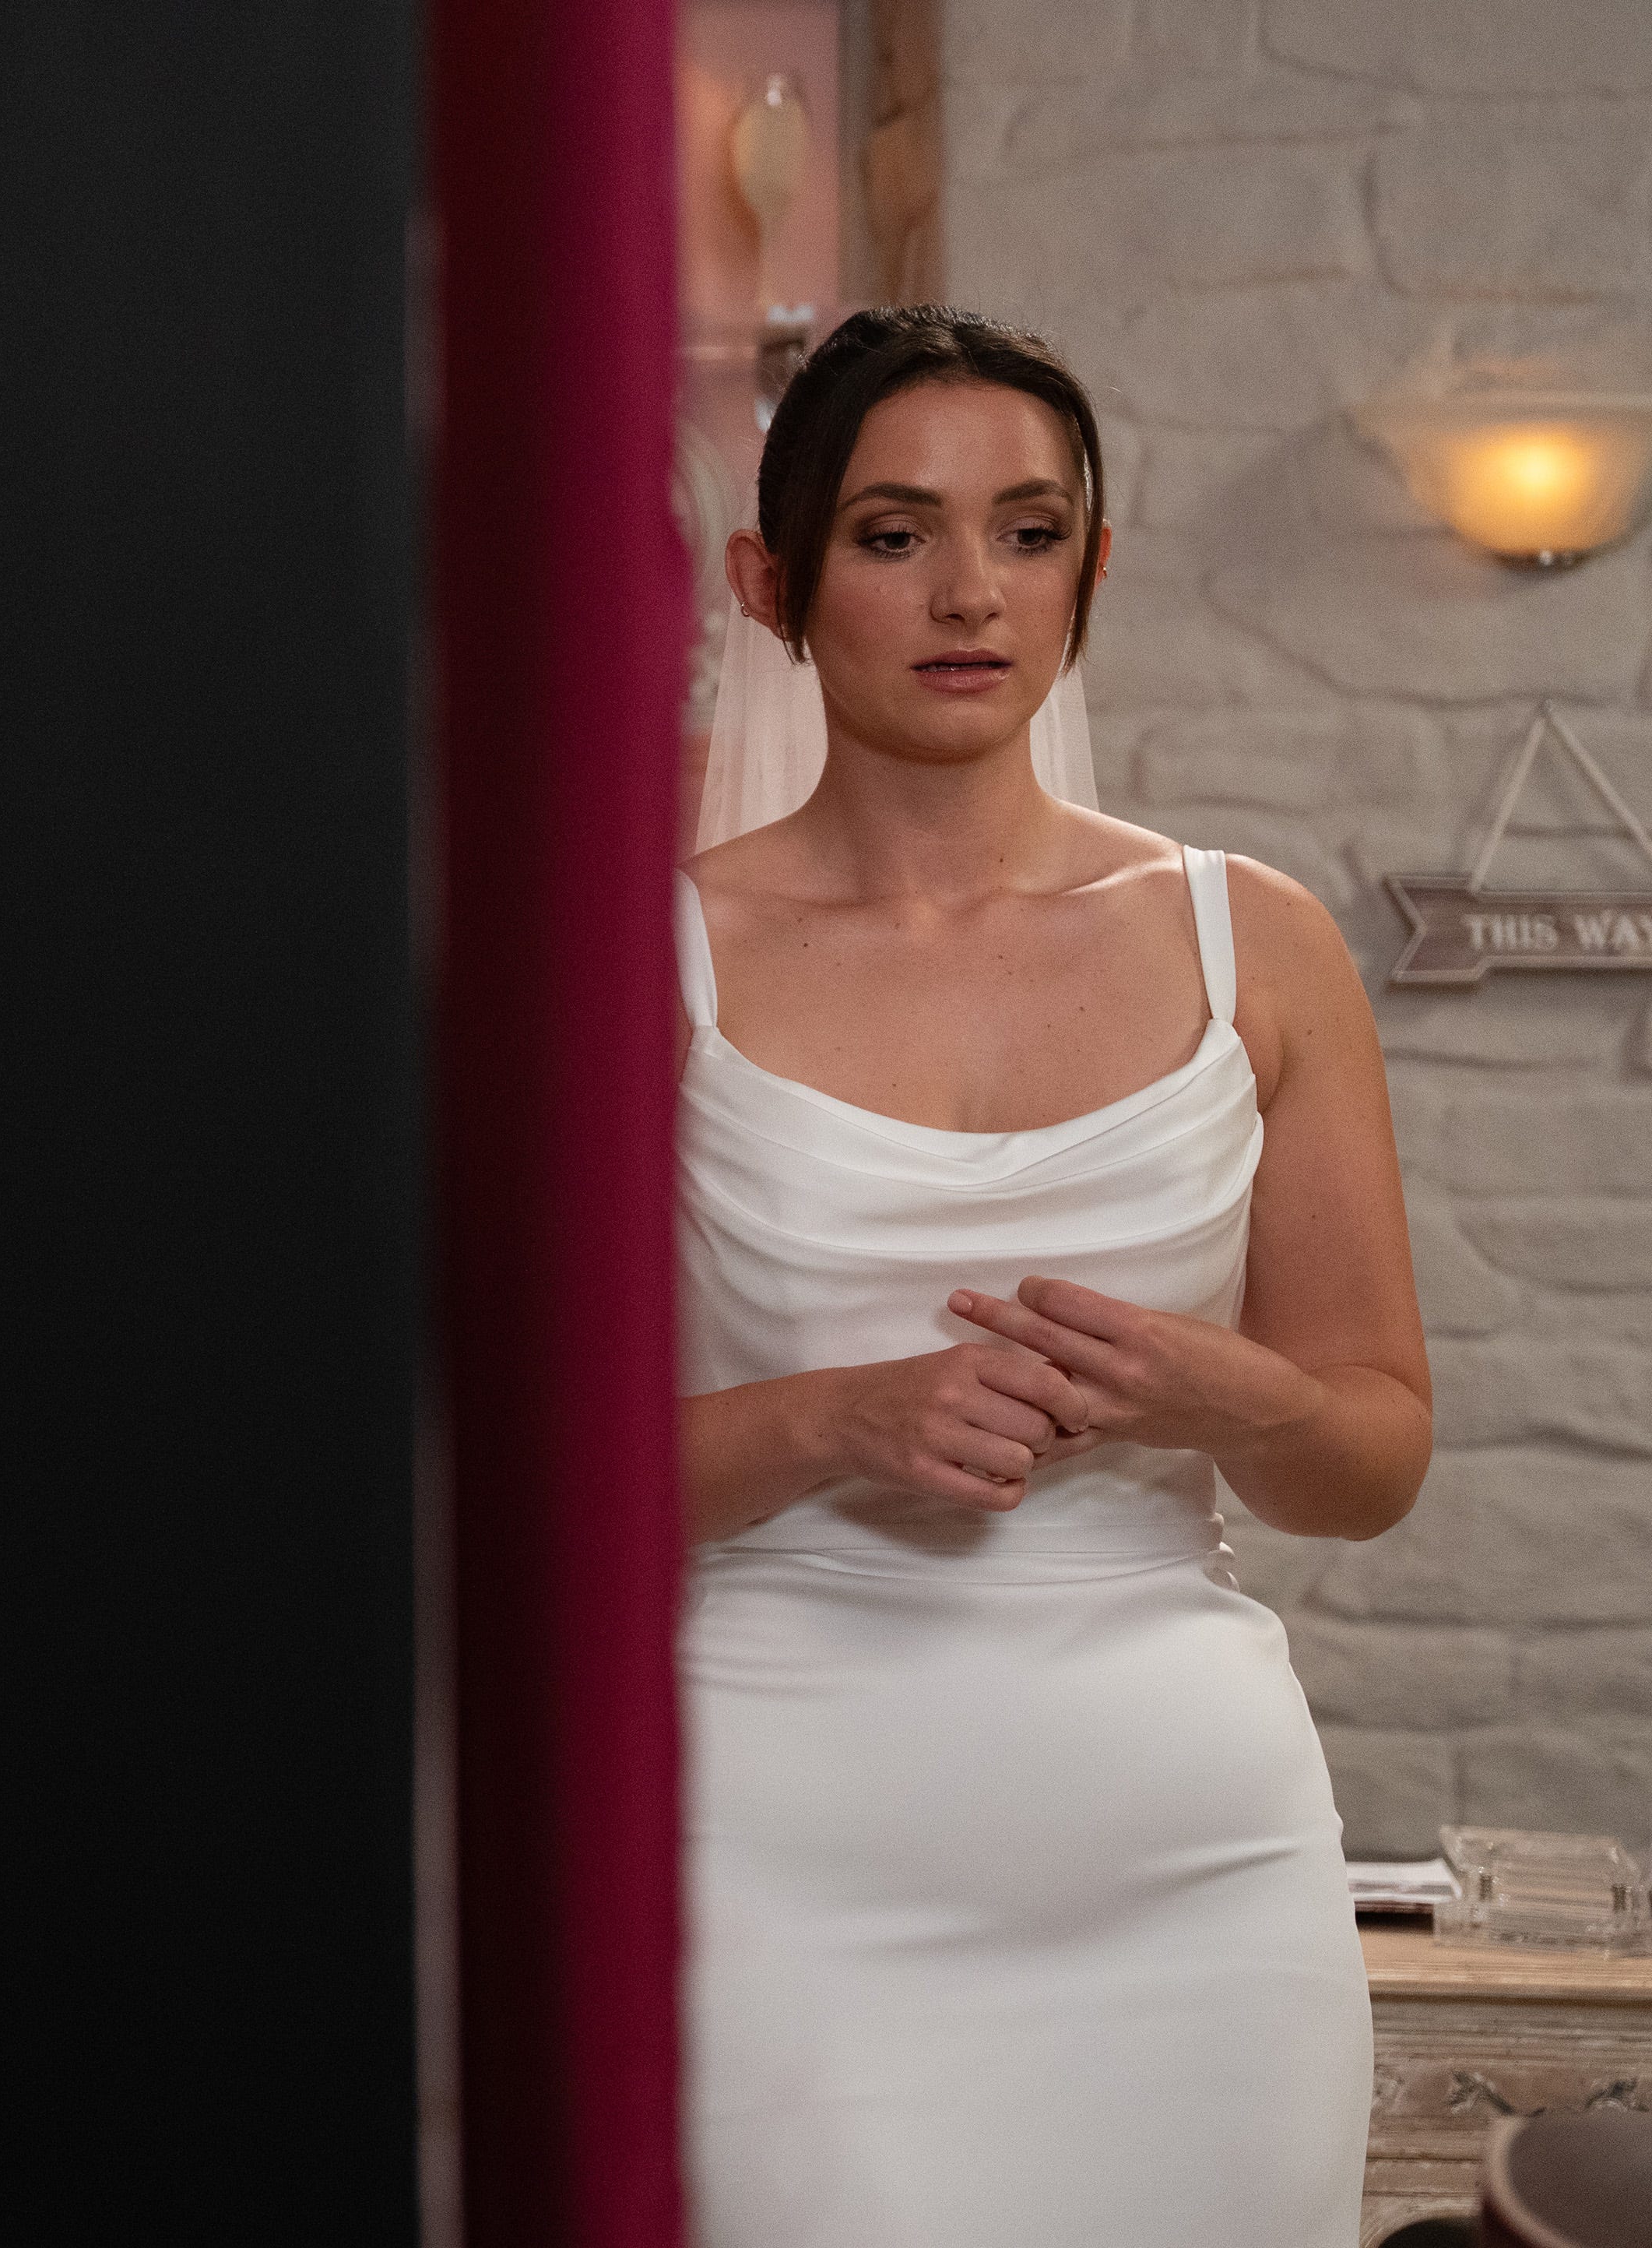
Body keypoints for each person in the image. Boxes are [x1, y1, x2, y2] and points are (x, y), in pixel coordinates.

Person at [675, 305, 1430, 2248]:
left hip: (1188, 1862)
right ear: (768, 581)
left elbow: (1366, 1460)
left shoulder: (1252, 944)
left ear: (1091, 568)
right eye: (892, 533)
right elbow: (497, 1483)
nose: (968, 593)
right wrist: (833, 1419)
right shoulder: (639, 964)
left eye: (1025, 534)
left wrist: (1227, 1392)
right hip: (769, 1839)